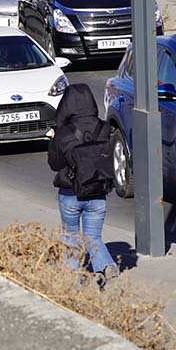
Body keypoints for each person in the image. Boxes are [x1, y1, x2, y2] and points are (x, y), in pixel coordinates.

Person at [48, 85, 118, 286]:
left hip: (71, 194)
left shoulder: (63, 133)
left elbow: (54, 164)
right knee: (93, 236)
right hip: (97, 192)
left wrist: (52, 141)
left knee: (70, 236)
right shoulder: (104, 128)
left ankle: (74, 276)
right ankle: (106, 266)